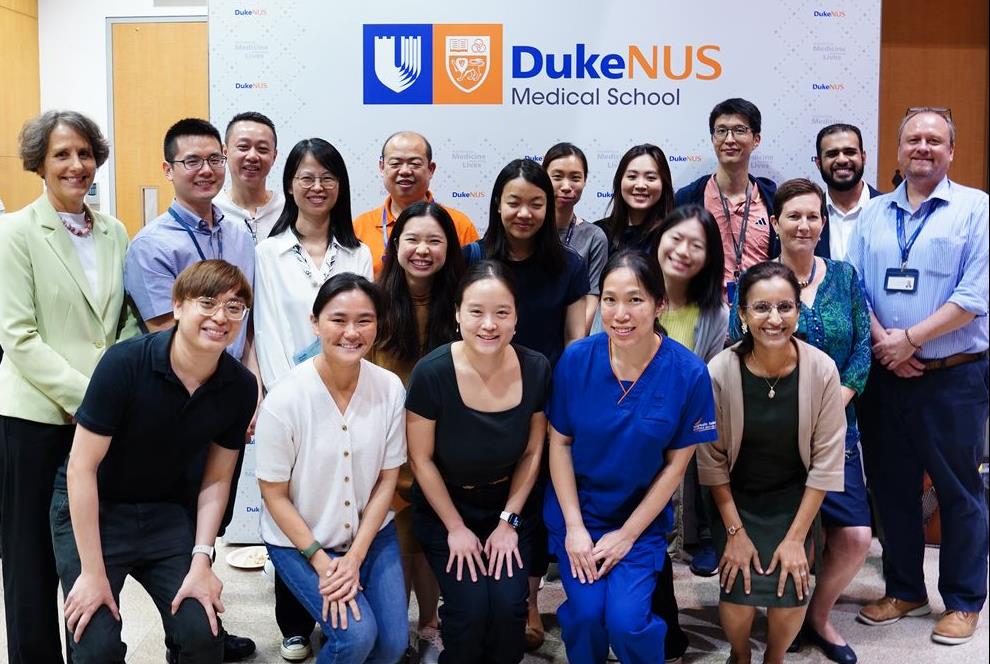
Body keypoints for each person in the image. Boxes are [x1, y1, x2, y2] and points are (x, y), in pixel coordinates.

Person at [51, 260, 257, 663]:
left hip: (166, 511)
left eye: (235, 307)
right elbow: (81, 468)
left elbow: (217, 480)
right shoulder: (124, 364)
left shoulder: (240, 386)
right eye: (208, 302)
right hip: (98, 506)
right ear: (177, 306)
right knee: (96, 645)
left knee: (203, 635)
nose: (221, 317)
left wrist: (203, 559)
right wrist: (92, 574)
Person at [0, 109, 139, 664]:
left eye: (84, 153)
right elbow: (18, 335)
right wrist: (93, 400)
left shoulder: (114, 229)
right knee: (30, 560)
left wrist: (119, 394)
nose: (76, 165)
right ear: (39, 162)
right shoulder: (15, 232)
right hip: (35, 416)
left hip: (100, 422)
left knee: (85, 554)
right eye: (62, 154)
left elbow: (126, 320)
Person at [848, 108, 989, 646]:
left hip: (954, 376)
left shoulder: (976, 209)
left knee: (958, 491)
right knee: (892, 490)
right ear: (899, 151)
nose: (923, 147)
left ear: (951, 151)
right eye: (913, 139)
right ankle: (904, 589)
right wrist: (888, 346)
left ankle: (962, 601)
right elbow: (857, 287)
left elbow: (973, 298)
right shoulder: (874, 213)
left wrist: (910, 340)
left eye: (935, 140)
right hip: (886, 376)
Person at [122, 117, 257, 661]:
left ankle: (206, 625)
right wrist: (222, 397)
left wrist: (249, 393)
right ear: (168, 169)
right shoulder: (151, 245)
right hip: (181, 410)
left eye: (213, 160)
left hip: (228, 401)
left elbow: (248, 322)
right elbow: (166, 337)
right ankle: (191, 634)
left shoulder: (238, 232)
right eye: (192, 162)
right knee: (182, 517)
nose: (206, 171)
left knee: (214, 516)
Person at [545, 249, 717, 664]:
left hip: (639, 522)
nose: (620, 313)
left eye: (635, 300)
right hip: (580, 514)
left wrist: (627, 535)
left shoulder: (688, 373)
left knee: (626, 622)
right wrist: (574, 528)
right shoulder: (576, 360)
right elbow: (559, 443)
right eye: (609, 299)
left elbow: (677, 464)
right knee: (586, 616)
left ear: (660, 304)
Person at [729, 179, 872, 663]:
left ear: (823, 222)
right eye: (793, 216)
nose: (804, 225)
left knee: (853, 536)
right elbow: (736, 345)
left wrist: (830, 402)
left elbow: (861, 351)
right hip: (769, 428)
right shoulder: (753, 281)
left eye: (813, 216)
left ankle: (817, 614)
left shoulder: (846, 277)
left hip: (837, 426)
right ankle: (774, 607)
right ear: (775, 223)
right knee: (783, 529)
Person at [256, 273, 409, 664]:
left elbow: (387, 480)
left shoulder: (390, 388)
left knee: (392, 646)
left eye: (364, 320)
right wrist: (323, 563)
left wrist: (355, 557)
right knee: (357, 637)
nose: (351, 332)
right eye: (338, 319)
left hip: (370, 535)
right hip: (301, 544)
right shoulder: (286, 398)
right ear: (315, 322)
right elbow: (273, 494)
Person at [698, 261, 846, 664]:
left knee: (791, 586)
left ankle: (775, 658)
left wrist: (797, 537)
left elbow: (827, 461)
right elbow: (710, 462)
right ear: (742, 315)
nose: (774, 319)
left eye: (785, 307)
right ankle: (741, 655)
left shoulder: (822, 370)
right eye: (761, 308)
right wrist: (735, 532)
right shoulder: (719, 371)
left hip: (795, 498)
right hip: (735, 496)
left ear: (799, 312)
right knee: (739, 586)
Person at [406, 261, 550, 664]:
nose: (489, 324)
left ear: (517, 317)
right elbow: (421, 461)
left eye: (502, 312)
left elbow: (532, 453)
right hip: (445, 507)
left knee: (507, 610)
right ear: (456, 314)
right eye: (476, 312)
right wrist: (455, 527)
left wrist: (509, 521)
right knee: (470, 611)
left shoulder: (536, 367)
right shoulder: (431, 373)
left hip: (509, 506)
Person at [371, 201, 466, 662]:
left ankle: (430, 625)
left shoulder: (462, 304)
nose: (423, 250)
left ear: (450, 247)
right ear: (395, 244)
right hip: (385, 448)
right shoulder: (376, 302)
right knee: (396, 541)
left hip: (442, 447)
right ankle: (397, 624)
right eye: (412, 239)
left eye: (434, 240)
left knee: (429, 542)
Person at [650, 204, 728, 583]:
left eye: (696, 245)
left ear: (709, 256)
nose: (683, 251)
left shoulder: (716, 313)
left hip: (684, 417)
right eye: (676, 238)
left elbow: (708, 378)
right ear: (660, 238)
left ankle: (702, 535)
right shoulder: (632, 288)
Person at [254, 137, 373, 389]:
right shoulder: (268, 253)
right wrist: (285, 393)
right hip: (288, 390)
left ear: (340, 186)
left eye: (328, 178)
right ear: (289, 185)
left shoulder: (359, 253)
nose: (318, 187)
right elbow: (267, 333)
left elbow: (364, 326)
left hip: (347, 388)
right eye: (307, 178)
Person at [465, 158, 589, 367]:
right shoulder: (470, 258)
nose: (524, 213)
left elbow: (574, 341)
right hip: (477, 385)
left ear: (548, 207)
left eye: (536, 204)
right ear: (498, 204)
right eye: (514, 203)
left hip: (545, 390)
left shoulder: (569, 265)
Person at [674, 98, 777, 297]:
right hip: (704, 312)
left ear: (756, 139)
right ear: (713, 138)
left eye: (739, 130)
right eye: (721, 131)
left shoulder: (773, 199)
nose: (729, 139)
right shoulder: (688, 197)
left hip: (762, 310)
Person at [352, 131, 479, 277]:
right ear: (382, 167)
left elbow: (474, 282)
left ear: (430, 169)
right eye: (395, 163)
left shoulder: (459, 224)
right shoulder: (360, 226)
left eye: (414, 164)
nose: (405, 171)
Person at [543, 142, 608, 332]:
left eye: (575, 178)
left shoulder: (594, 237)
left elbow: (592, 299)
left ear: (585, 181)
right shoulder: (527, 228)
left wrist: (573, 345)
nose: (566, 186)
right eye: (557, 177)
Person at [812, 123, 882, 260]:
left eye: (850, 152)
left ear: (863, 157)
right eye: (832, 154)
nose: (842, 159)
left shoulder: (890, 211)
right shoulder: (807, 216)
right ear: (818, 163)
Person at [214, 111, 284, 243]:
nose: (252, 156)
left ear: (274, 156)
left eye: (262, 149)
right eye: (243, 147)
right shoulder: (211, 210)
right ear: (225, 152)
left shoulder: (289, 211)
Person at [594, 143, 674, 255]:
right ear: (619, 181)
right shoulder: (598, 233)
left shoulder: (672, 236)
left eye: (650, 178)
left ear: (664, 184)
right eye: (632, 177)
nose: (640, 185)